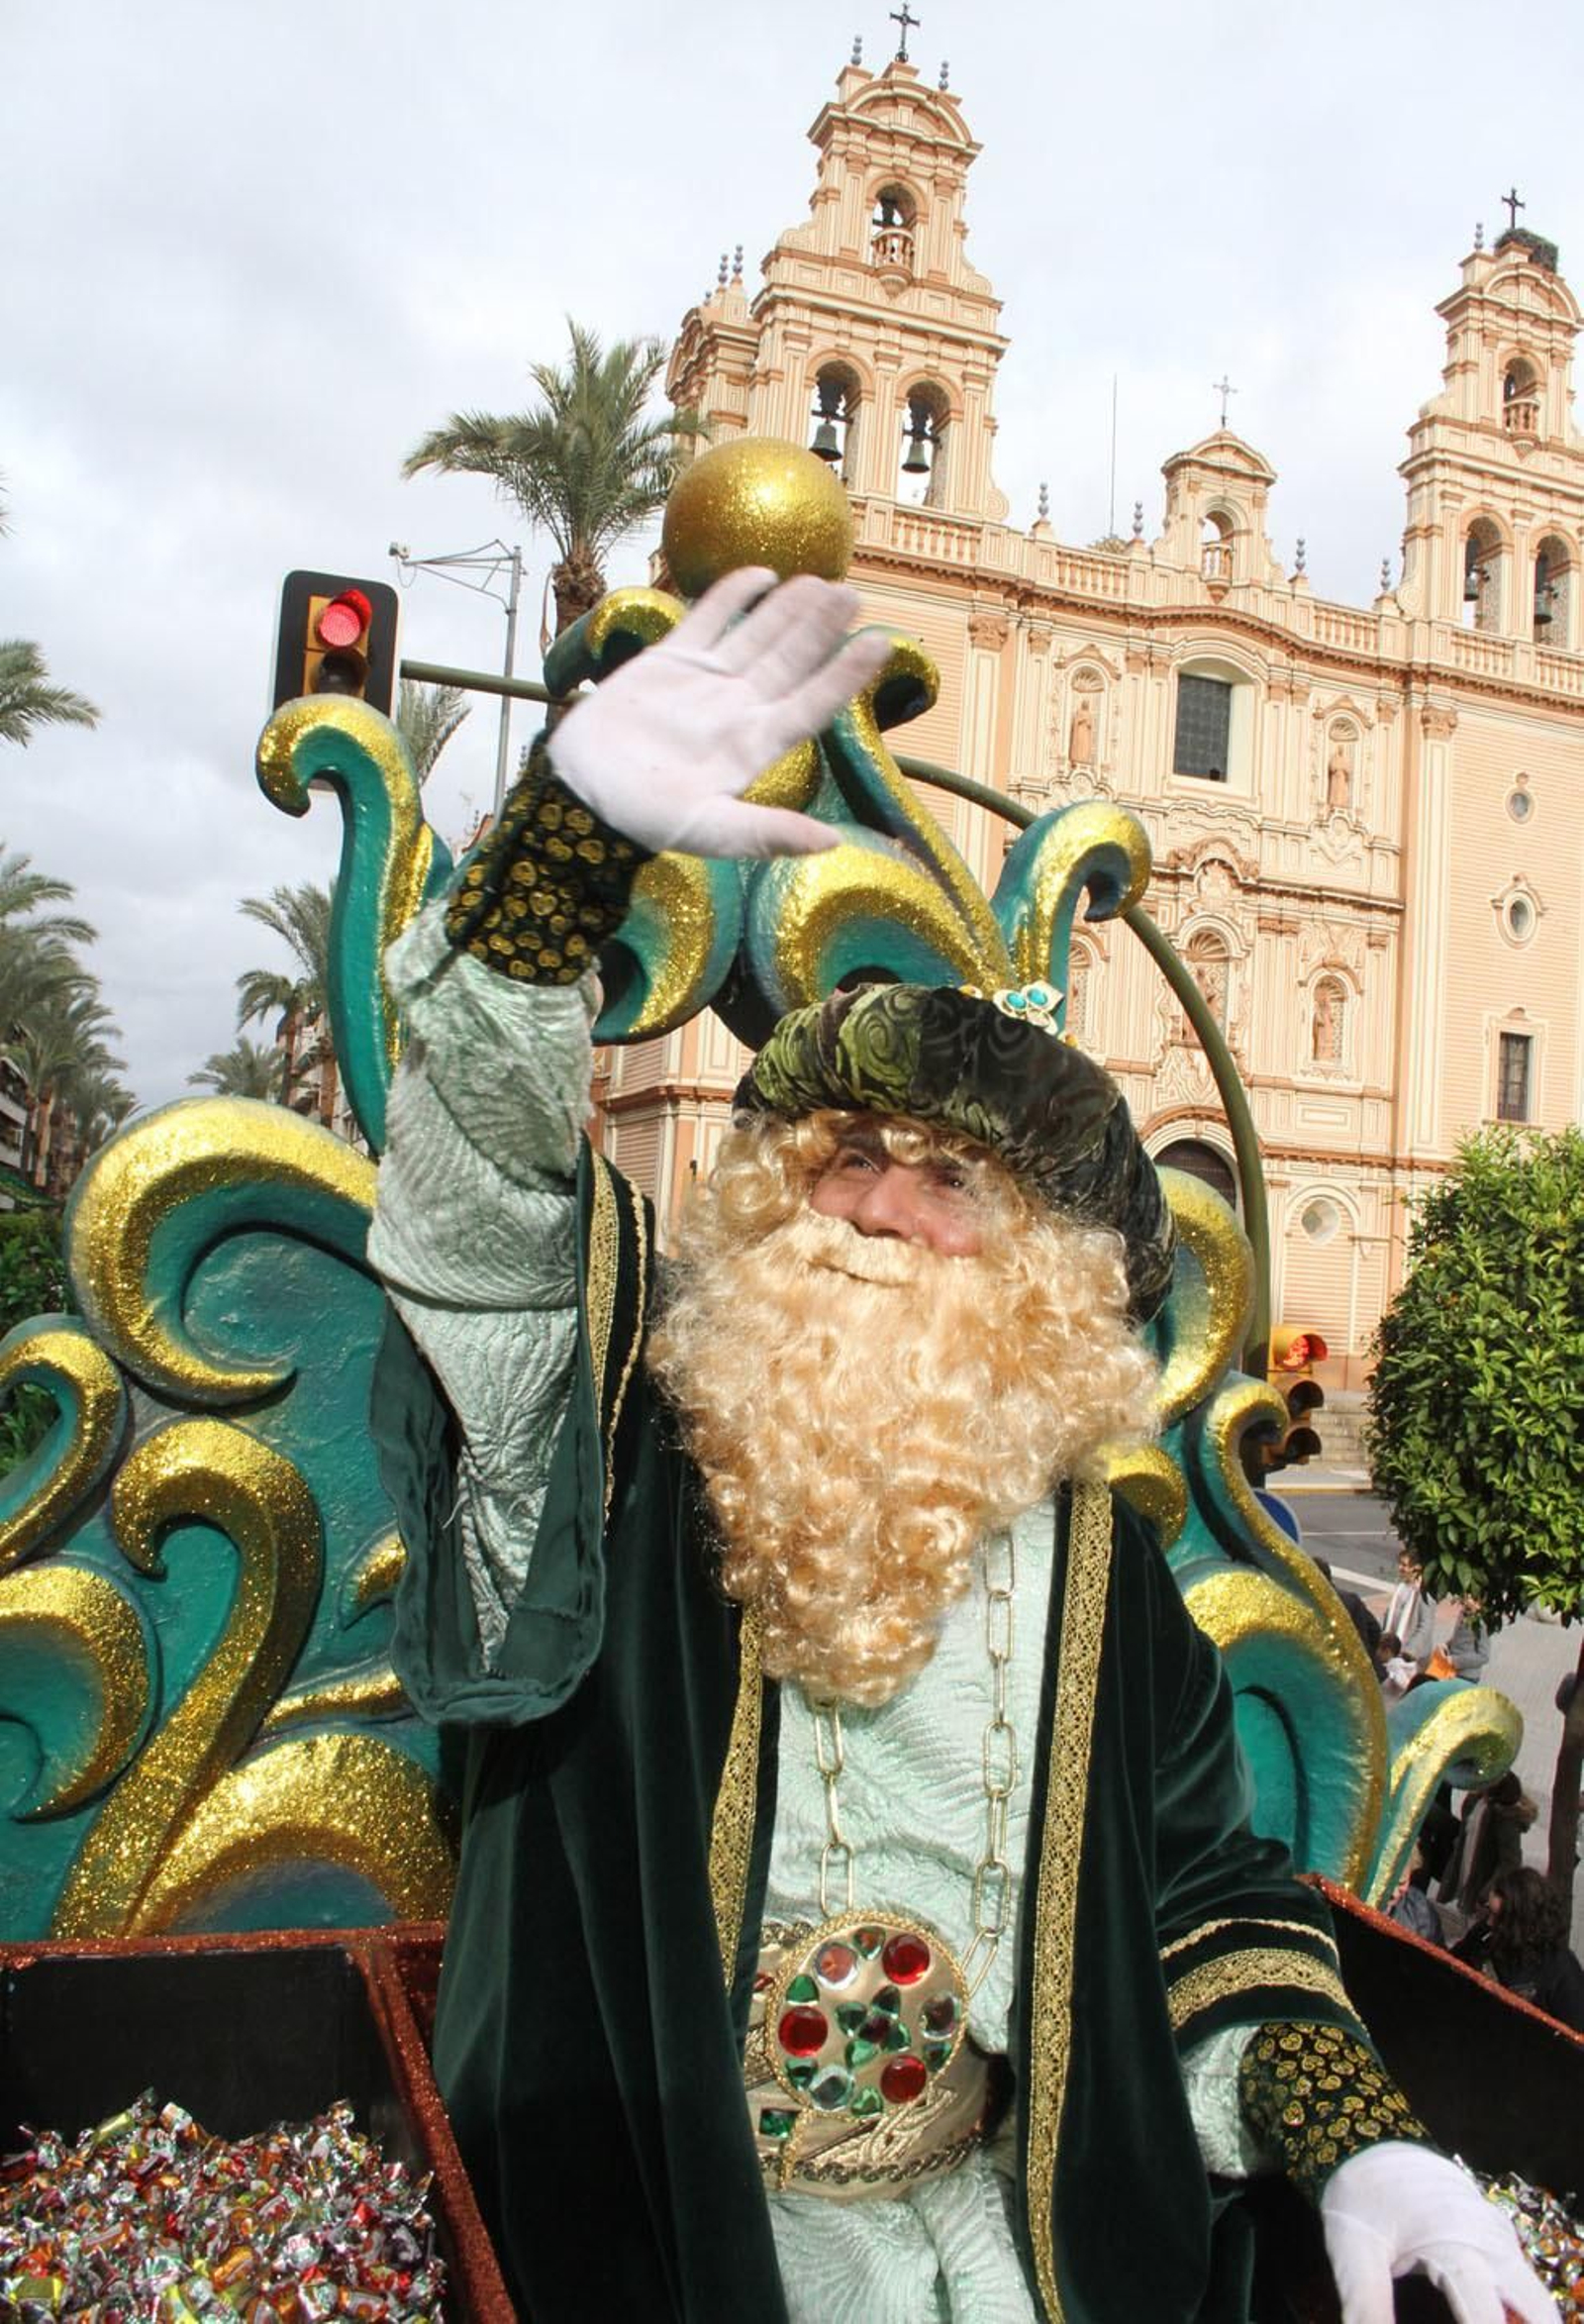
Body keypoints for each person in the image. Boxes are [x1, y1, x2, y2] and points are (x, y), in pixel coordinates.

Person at [367, 570, 1552, 2324]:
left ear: (1044, 1280)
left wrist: (1358, 2133)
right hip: (657, 2218)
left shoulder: (1102, 1576)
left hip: (992, 2240)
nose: (877, 1209)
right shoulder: (610, 1437)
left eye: (949, 1181)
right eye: (844, 1156)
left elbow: (1203, 1898)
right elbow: (478, 1185)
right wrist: (563, 850)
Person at [1451, 1868, 1584, 2034]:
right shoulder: (1483, 1936)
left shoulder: (1561, 1968)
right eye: (1489, 1912)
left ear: (1522, 1923)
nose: (1490, 1923)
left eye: (1499, 1918)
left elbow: (1576, 2035)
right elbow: (1448, 1970)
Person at [1440, 1771, 1537, 1920]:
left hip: (1481, 1890)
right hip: (1466, 1878)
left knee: (1470, 1921)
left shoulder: (1506, 1818)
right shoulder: (1477, 1802)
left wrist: (1488, 1893)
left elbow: (1511, 1862)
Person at [1381, 1548, 1436, 1668]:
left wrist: (1408, 1652)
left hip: (1413, 1658)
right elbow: (1389, 1616)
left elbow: (1425, 1627)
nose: (1400, 1568)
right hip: (1393, 1652)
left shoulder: (1425, 1593)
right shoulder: (1401, 1588)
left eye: (1404, 1565)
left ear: (1416, 1568)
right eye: (1400, 1564)